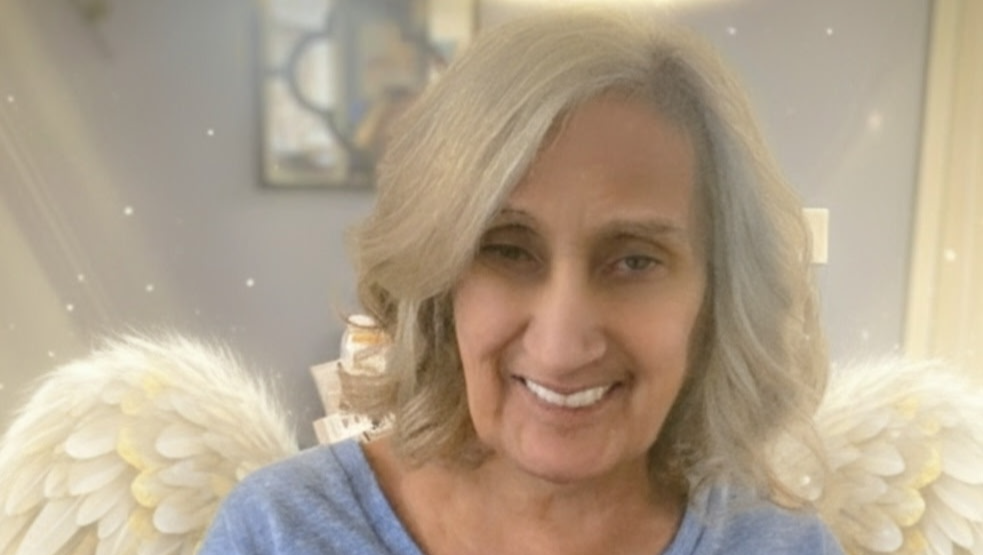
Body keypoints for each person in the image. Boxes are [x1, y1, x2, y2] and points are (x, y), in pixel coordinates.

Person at [200, 7, 842, 554]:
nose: (562, 347)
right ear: (439, 280)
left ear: (716, 299)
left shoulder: (782, 546)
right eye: (507, 250)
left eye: (635, 260)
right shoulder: (276, 531)